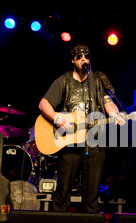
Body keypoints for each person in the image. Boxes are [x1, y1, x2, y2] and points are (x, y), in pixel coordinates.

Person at [38, 42, 125, 213]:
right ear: (73, 60)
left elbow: (107, 102)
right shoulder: (64, 80)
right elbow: (43, 103)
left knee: (92, 192)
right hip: (69, 142)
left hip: (94, 141)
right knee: (63, 191)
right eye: (79, 57)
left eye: (86, 57)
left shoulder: (99, 79)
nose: (83, 59)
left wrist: (114, 114)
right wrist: (57, 118)